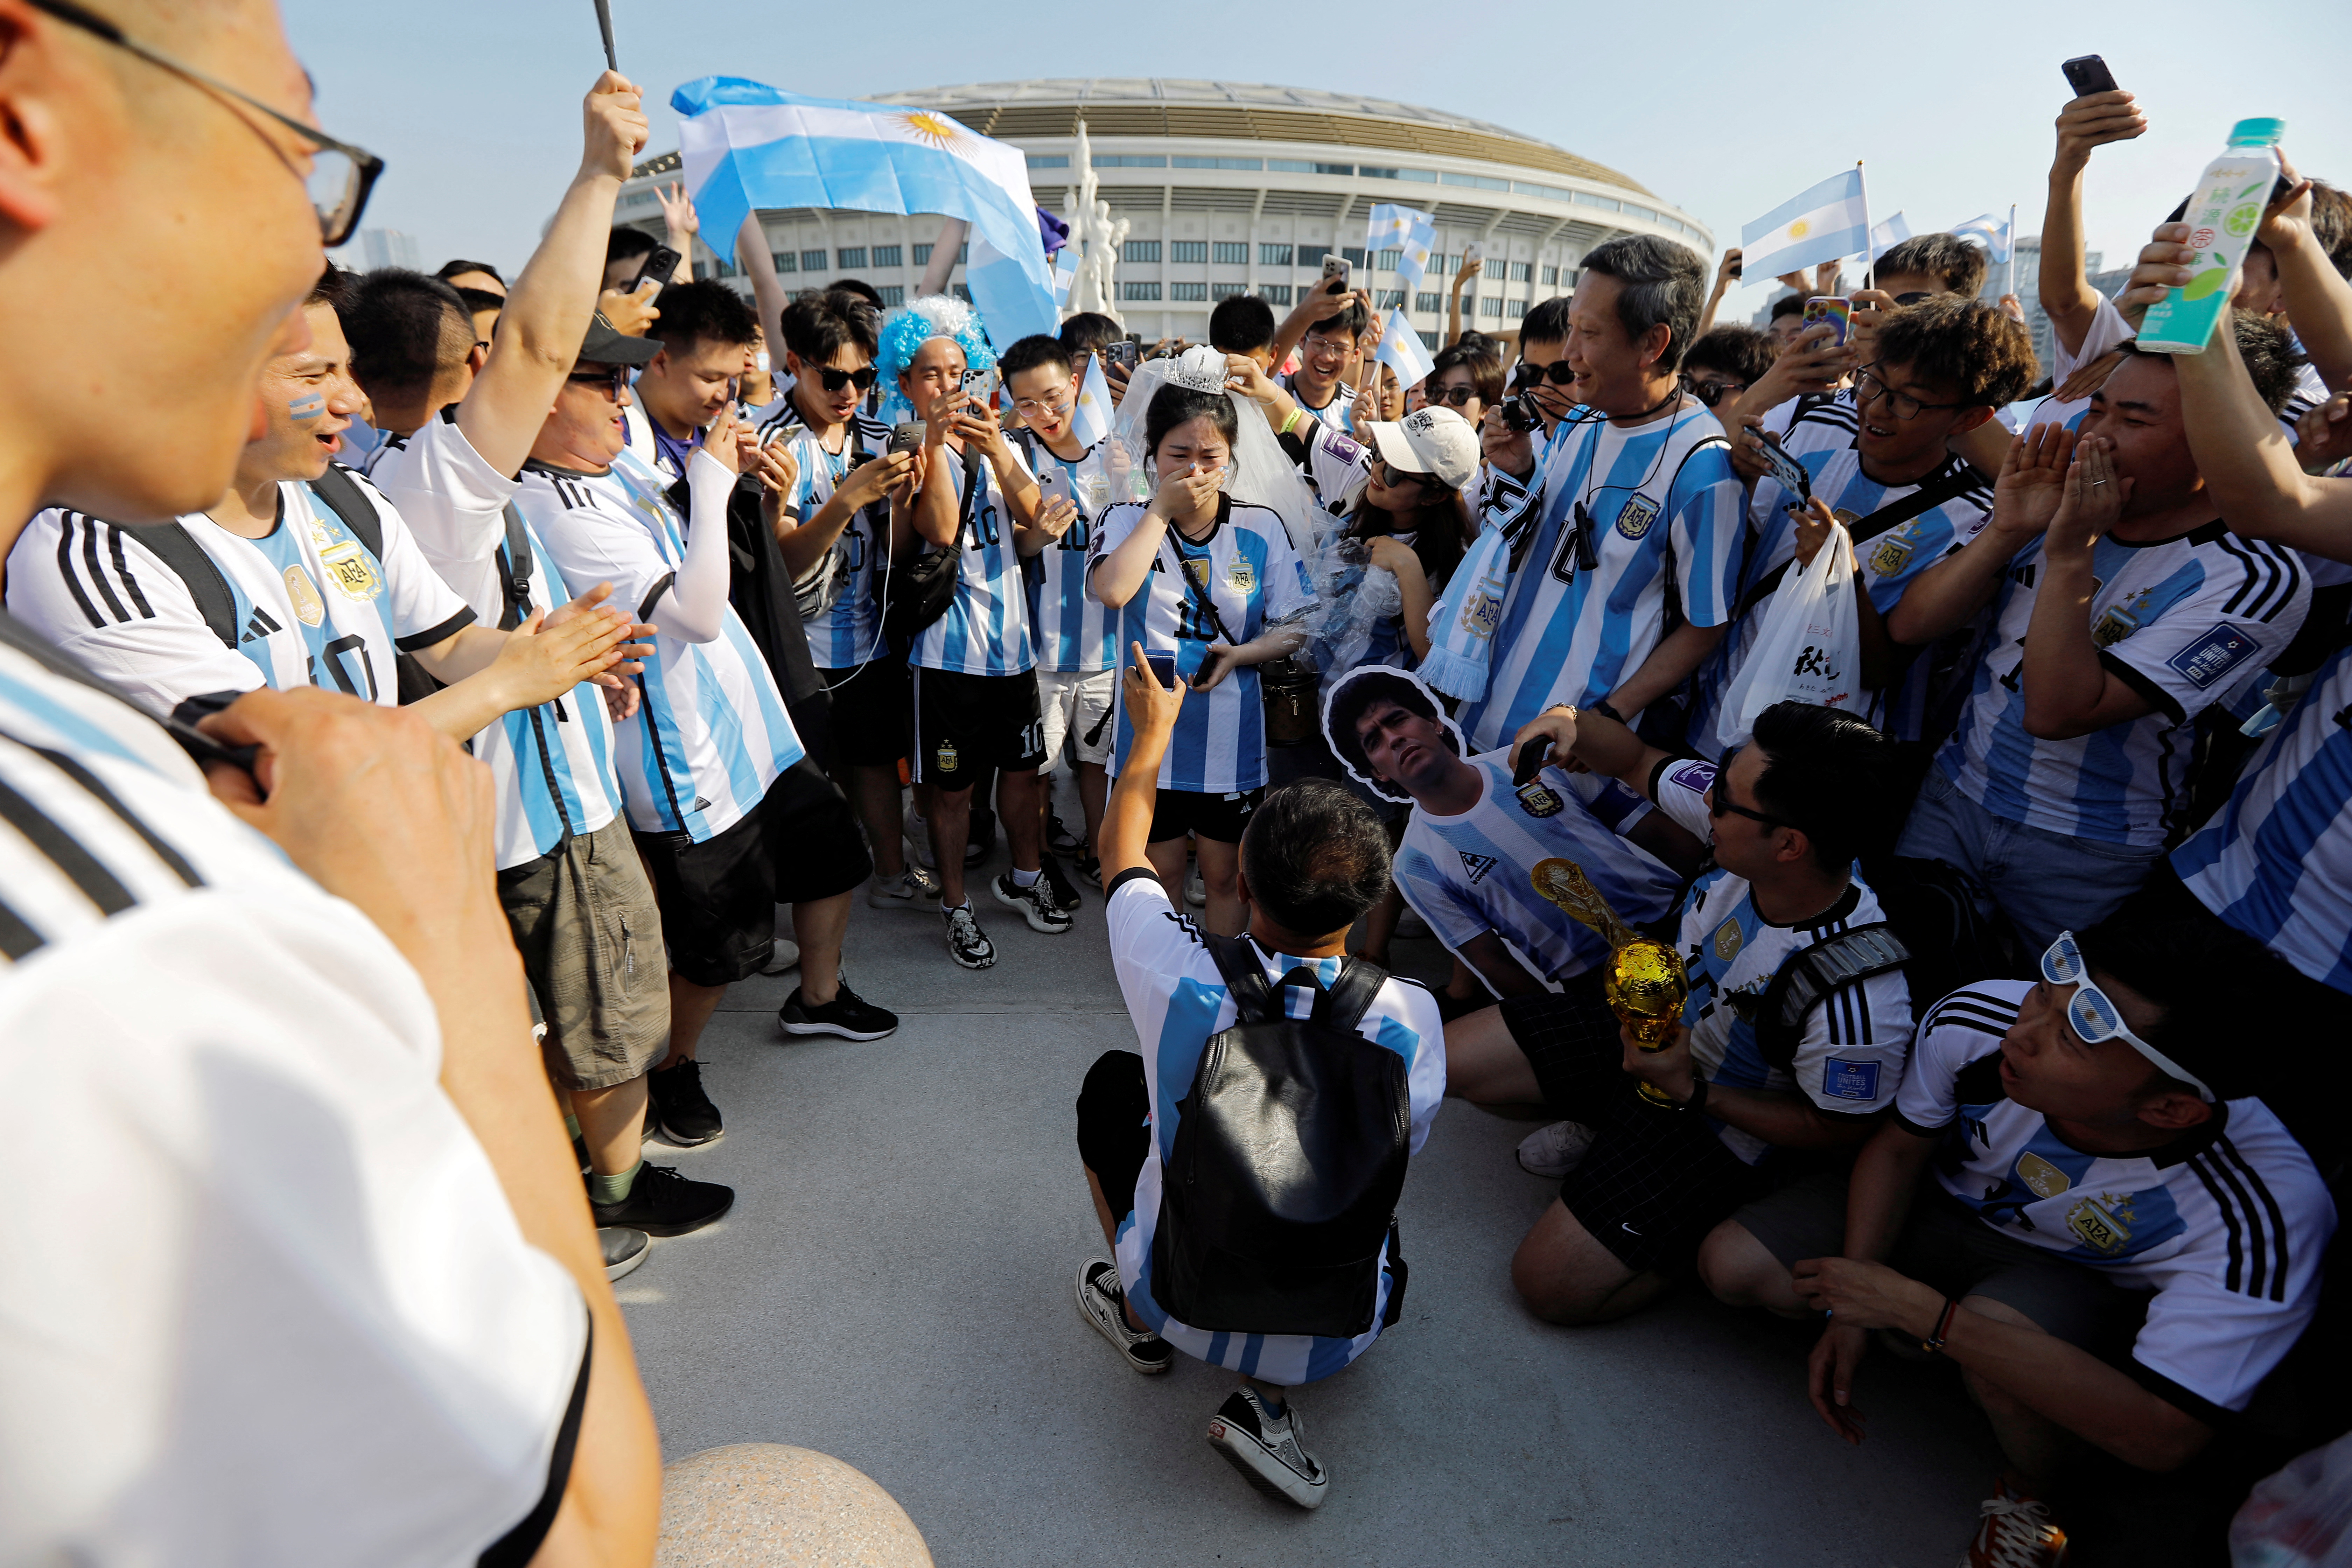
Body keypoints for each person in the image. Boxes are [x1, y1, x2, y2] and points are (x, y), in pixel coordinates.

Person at [0, 6, 658, 1560]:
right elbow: (573, 1515)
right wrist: (453, 949)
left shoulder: (333, 533)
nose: (323, 274)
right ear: (30, 113)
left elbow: (428, 646)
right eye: (301, 157)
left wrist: (527, 660)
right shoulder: (105, 930)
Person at [349, 77, 734, 1248]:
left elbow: (467, 634)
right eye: (603, 378)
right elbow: (540, 337)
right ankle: (605, 1201)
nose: (616, 393)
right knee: (600, 1012)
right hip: (529, 819)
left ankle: (595, 1180)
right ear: (466, 371)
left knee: (594, 1006)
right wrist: (599, 173)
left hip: (547, 796)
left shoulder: (408, 493)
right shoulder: (427, 479)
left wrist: (558, 654)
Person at [1765, 916, 2333, 1568]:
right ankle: (1930, 1344)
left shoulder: (2267, 1216)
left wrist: (1917, 1312)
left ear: (2171, 1111)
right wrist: (1852, 1303)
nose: (2021, 1032)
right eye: (2044, 992)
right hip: (1940, 1210)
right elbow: (1898, 1152)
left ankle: (2039, 1492)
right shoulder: (1983, 1016)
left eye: (2071, 1038)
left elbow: (2162, 1435)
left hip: (2066, 1274)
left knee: (1998, 1360)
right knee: (1735, 1268)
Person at [1073, 645, 1444, 1510]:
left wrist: (1151, 736)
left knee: (1113, 1091)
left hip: (1176, 1298)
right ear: (1368, 902)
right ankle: (1269, 1407)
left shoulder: (1182, 977)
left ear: (1239, 881)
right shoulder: (1412, 1018)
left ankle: (1135, 1321)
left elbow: (1122, 850)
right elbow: (1401, 1155)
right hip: (1344, 1331)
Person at [520, 345, 891, 1149]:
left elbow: (698, 530)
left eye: (622, 380)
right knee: (717, 949)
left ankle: (819, 1000)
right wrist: (719, 482)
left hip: (752, 732)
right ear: (544, 399)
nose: (623, 399)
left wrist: (720, 478)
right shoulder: (554, 505)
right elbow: (696, 614)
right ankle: (672, 1069)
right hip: (687, 764)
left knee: (833, 854)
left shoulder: (613, 467)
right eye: (599, 384)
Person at [1444, 699, 1915, 1324]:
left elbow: (1839, 1131)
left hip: (1714, 1118)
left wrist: (1694, 1093)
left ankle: (1686, 1236)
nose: (1707, 804)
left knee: (1547, 1288)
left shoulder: (1859, 998)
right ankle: (1609, 1132)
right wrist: (1569, 725)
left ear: (1790, 844)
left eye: (1722, 799)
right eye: (1715, 783)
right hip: (1648, 1036)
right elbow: (1635, 758)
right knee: (1449, 1064)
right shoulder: (1748, 818)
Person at [1887, 330, 2313, 949]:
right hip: (1951, 798)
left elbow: (2058, 711)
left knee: (2045, 1026)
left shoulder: (2253, 575)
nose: (2097, 436)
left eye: (2135, 420)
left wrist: (2070, 555)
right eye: (2100, 408)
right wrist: (2007, 530)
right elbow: (1910, 626)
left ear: (2221, 437)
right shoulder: (2051, 496)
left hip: (2087, 853)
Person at [1688, 297, 2035, 759]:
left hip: (1800, 763)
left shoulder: (1975, 517)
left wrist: (1840, 576)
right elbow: (1739, 565)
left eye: (1909, 400)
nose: (1876, 409)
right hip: (1708, 713)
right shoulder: (1818, 421)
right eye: (1873, 382)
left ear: (1970, 419)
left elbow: (1882, 668)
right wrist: (1746, 476)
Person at [1457, 235, 1747, 752]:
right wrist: (1520, 470)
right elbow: (1542, 543)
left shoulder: (1703, 470)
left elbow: (1705, 626)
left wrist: (1604, 719)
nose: (1569, 355)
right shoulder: (1581, 420)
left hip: (1566, 748)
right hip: (1484, 706)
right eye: (1571, 328)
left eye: (1588, 334)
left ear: (1653, 344)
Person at [1086, 350, 1317, 936]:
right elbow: (1113, 591)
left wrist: (1242, 655)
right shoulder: (1124, 519)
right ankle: (1167, 972)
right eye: (1177, 456)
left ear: (1231, 458)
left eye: (1209, 456)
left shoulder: (1260, 526)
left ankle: (1218, 978)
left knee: (1224, 877)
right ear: (1152, 455)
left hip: (1232, 745)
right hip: (1149, 742)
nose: (1193, 470)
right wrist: (1160, 510)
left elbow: (1298, 625)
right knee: (1158, 875)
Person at [881, 294, 1068, 965]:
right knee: (953, 793)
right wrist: (936, 440)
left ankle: (1024, 877)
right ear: (904, 382)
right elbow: (934, 529)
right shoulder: (906, 446)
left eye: (957, 370)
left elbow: (1034, 510)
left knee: (1024, 776)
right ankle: (956, 902)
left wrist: (995, 449)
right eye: (930, 373)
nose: (947, 384)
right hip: (947, 655)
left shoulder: (1004, 437)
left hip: (1012, 648)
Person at [1325, 665, 1694, 1002]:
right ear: (1378, 773)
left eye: (1398, 720)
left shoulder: (1536, 761)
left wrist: (1718, 898)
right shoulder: (1414, 865)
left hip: (1681, 925)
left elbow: (1659, 836)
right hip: (1593, 988)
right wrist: (1568, 1022)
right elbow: (1493, 963)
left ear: (1435, 722)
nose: (1393, 738)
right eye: (1374, 741)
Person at [760, 292, 934, 910]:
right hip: (798, 650)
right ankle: (817, 898)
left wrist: (900, 505)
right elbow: (783, 563)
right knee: (809, 782)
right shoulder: (771, 441)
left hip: (871, 638)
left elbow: (901, 549)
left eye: (863, 377)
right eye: (833, 377)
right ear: (795, 363)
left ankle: (890, 872)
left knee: (877, 762)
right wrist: (847, 500)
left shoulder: (877, 432)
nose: (849, 392)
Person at [999, 332, 1118, 883]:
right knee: (1037, 769)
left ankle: (1099, 849)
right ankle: (1039, 854)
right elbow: (1014, 548)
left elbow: (1141, 536)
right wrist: (1037, 538)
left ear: (1076, 384)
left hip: (1108, 646)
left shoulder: (1117, 452)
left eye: (1053, 397)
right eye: (1027, 403)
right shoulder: (1016, 458)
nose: (1043, 412)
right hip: (1038, 650)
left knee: (1098, 764)